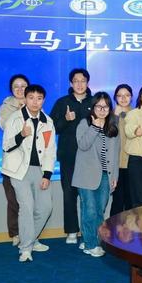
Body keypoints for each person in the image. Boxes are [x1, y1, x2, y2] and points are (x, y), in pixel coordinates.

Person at [1, 84, 56, 262]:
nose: (35, 102)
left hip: (40, 170)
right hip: (19, 171)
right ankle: (25, 249)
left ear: (43, 100)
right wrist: (21, 135)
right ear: (25, 99)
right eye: (31, 98)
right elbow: (6, 146)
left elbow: (50, 151)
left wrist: (47, 175)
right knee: (26, 207)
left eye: (39, 98)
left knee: (45, 208)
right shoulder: (14, 119)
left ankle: (30, 239)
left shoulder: (48, 121)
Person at [72, 92, 120, 257]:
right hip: (86, 175)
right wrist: (94, 127)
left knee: (99, 210)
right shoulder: (84, 123)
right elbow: (83, 145)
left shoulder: (113, 126)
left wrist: (115, 176)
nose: (102, 110)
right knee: (90, 209)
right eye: (98, 106)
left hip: (106, 175)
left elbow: (115, 154)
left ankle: (91, 240)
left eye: (105, 107)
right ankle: (91, 244)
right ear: (93, 108)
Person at [50, 68, 93, 244]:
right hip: (68, 156)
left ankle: (88, 231)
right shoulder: (62, 103)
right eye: (76, 81)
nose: (80, 84)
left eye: (83, 81)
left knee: (88, 196)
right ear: (71, 83)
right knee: (69, 194)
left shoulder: (95, 102)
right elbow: (52, 128)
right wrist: (65, 120)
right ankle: (72, 231)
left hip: (90, 158)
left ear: (87, 83)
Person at [0, 73, 29, 246]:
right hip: (12, 161)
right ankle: (16, 233)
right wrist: (20, 110)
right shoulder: (5, 107)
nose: (20, 89)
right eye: (16, 86)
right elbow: (5, 126)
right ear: (11, 89)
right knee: (13, 200)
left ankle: (30, 232)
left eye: (23, 86)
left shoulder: (35, 104)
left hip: (31, 161)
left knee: (30, 201)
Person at [109, 84, 133, 215]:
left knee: (131, 200)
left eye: (127, 95)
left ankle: (130, 228)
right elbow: (108, 134)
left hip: (133, 163)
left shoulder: (136, 113)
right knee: (117, 201)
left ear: (132, 97)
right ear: (115, 98)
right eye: (120, 95)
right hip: (116, 164)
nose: (123, 98)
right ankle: (113, 228)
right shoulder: (109, 114)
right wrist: (115, 116)